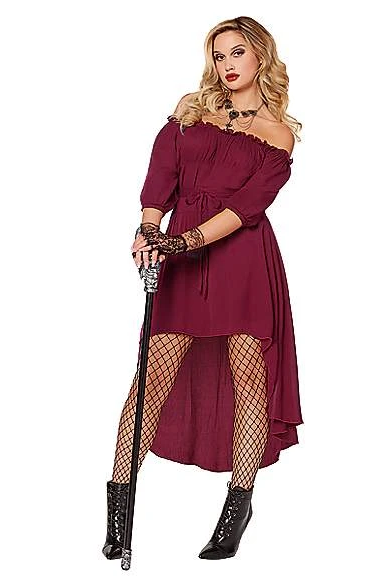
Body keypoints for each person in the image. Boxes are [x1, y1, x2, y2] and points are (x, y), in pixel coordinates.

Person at [102, 15, 304, 561]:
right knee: (150, 380)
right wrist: (149, 231)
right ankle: (118, 512)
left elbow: (246, 208)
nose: (227, 64)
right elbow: (160, 178)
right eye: (219, 55)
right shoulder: (192, 109)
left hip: (242, 258)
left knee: (248, 383)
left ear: (260, 55)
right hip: (181, 260)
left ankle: (237, 508)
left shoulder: (278, 133)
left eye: (237, 52)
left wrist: (183, 240)